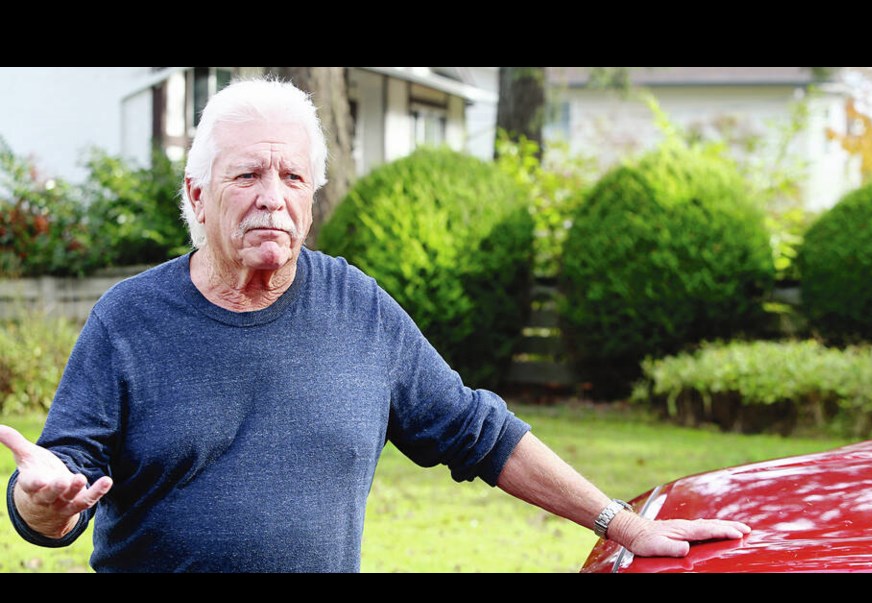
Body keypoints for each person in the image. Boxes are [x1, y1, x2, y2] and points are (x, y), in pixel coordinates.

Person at [0, 77, 749, 572]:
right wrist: (41, 502)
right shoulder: (128, 319)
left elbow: (476, 431)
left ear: (314, 195)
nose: (272, 197)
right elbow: (56, 488)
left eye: (292, 177)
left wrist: (620, 524)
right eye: (246, 175)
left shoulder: (357, 308)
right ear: (196, 195)